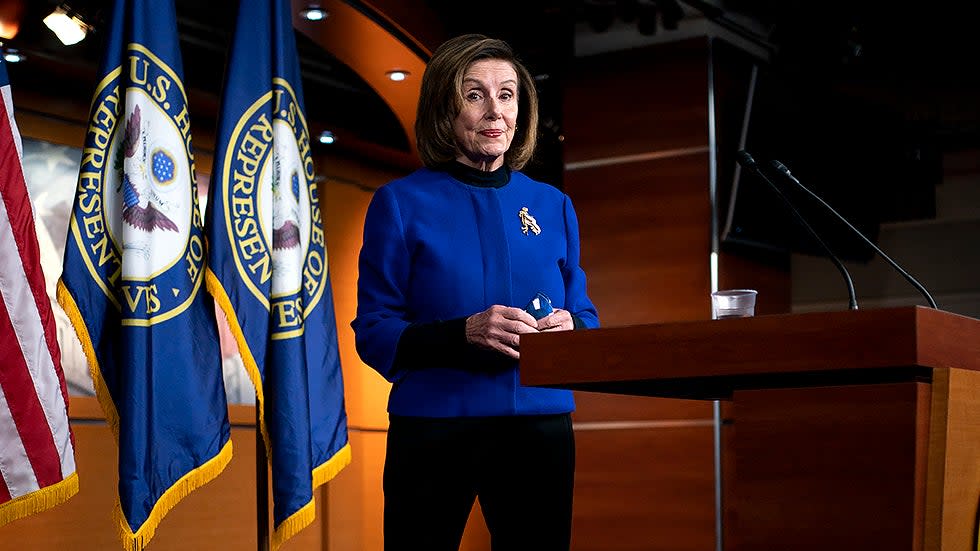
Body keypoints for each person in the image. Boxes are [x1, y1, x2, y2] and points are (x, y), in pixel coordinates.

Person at [351, 33, 600, 551]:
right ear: (445, 106)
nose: (495, 111)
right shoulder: (399, 203)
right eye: (474, 94)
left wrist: (572, 328)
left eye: (507, 94)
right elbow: (373, 333)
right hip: (435, 430)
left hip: (540, 431)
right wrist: (462, 333)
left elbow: (585, 316)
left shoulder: (553, 205)